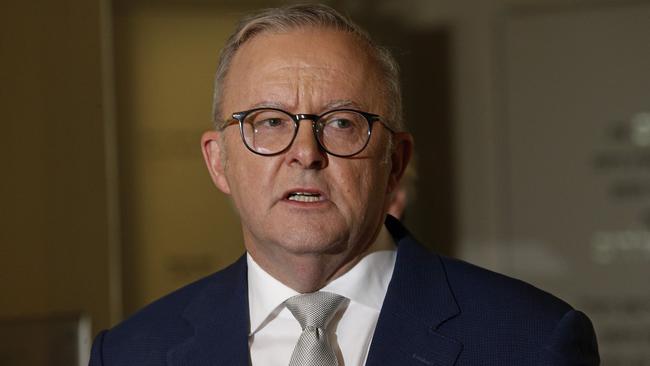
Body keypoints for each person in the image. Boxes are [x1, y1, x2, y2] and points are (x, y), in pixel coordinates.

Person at [89, 4, 599, 365]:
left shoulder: (530, 342)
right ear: (218, 161)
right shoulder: (133, 353)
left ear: (395, 162)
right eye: (268, 122)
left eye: (341, 123)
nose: (305, 153)